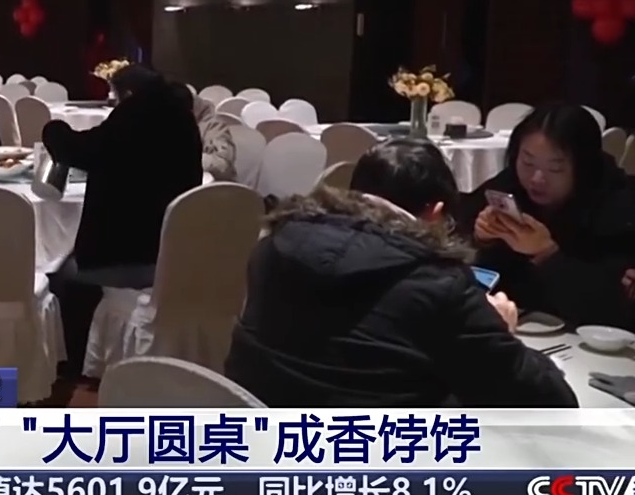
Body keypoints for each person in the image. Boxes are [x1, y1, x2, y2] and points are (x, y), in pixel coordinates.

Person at [225, 139, 577, 407]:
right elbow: (548, 401)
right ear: (435, 213)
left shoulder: (275, 245)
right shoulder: (438, 285)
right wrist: (501, 332)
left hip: (259, 449)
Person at [42, 64, 203, 376]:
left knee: (59, 272)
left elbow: (80, 150)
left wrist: (53, 129)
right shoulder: (181, 117)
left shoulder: (133, 116)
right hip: (173, 254)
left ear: (127, 92)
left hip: (129, 256)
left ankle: (73, 363)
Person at [460, 103, 635, 330]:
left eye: (555, 169)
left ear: (584, 168)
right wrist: (483, 238)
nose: (537, 178)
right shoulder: (509, 186)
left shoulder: (617, 207)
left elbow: (610, 307)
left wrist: (546, 254)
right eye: (527, 162)